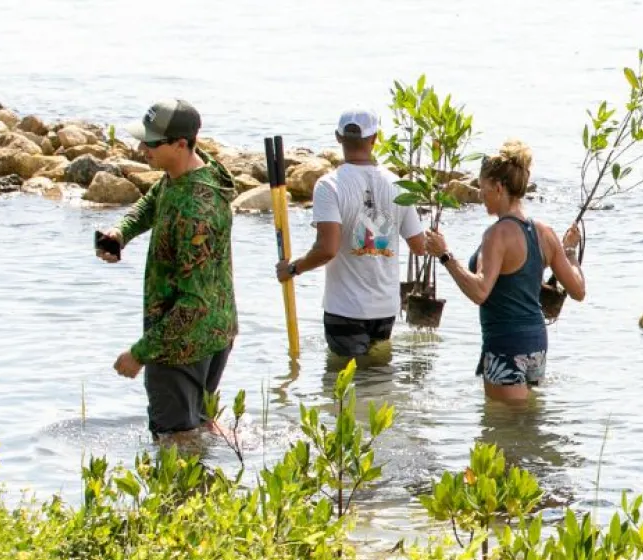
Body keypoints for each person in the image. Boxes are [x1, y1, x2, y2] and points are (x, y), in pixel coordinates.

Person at [94, 99, 239, 441]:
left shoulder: (196, 211)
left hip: (180, 344)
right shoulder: (190, 172)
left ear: (180, 144)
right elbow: (154, 200)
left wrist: (139, 353)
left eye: (151, 143)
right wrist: (121, 232)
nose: (141, 148)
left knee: (174, 441)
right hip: (216, 329)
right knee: (198, 426)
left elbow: (193, 303)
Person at [423, 140, 584, 404]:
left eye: (482, 188)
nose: (479, 195)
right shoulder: (545, 233)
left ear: (498, 188)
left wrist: (445, 255)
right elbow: (578, 290)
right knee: (527, 420)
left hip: (505, 343)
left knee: (504, 424)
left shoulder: (496, 235)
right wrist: (569, 251)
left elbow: (480, 292)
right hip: (536, 343)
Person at [275, 109, 426, 367]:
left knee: (345, 383)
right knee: (377, 380)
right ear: (374, 139)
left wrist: (292, 268)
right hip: (385, 308)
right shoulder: (398, 185)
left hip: (346, 308)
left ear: (338, 137)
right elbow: (419, 246)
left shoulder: (329, 185)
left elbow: (327, 249)